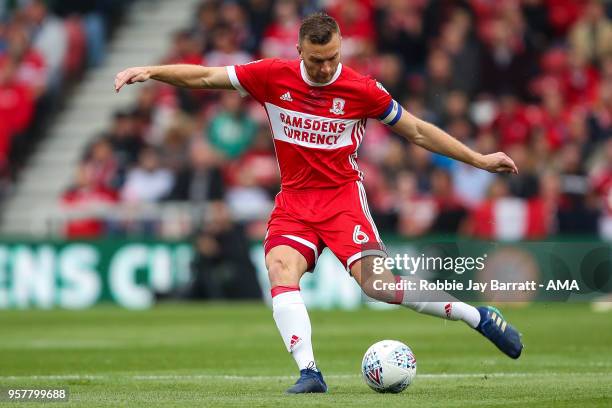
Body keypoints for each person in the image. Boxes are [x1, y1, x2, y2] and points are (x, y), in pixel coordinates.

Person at [114, 12, 523, 394]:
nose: (325, 67)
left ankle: (478, 317)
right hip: (295, 202)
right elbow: (204, 77)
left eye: (332, 58)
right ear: (299, 52)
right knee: (279, 267)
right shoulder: (272, 76)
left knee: (379, 287)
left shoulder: (362, 90)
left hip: (343, 200)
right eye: (316, 60)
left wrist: (478, 159)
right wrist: (152, 72)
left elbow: (416, 131)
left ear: (341, 48)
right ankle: (309, 372)